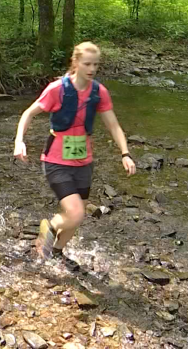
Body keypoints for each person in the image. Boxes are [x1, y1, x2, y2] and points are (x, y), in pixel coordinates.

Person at [13, 42, 136, 261]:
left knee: (77, 217)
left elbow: (114, 126)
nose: (92, 69)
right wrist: (19, 141)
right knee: (76, 211)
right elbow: (28, 114)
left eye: (96, 65)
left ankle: (57, 251)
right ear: (75, 62)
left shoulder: (99, 92)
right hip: (56, 161)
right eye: (87, 64)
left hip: (84, 162)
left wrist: (125, 153)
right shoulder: (57, 89)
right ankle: (48, 226)